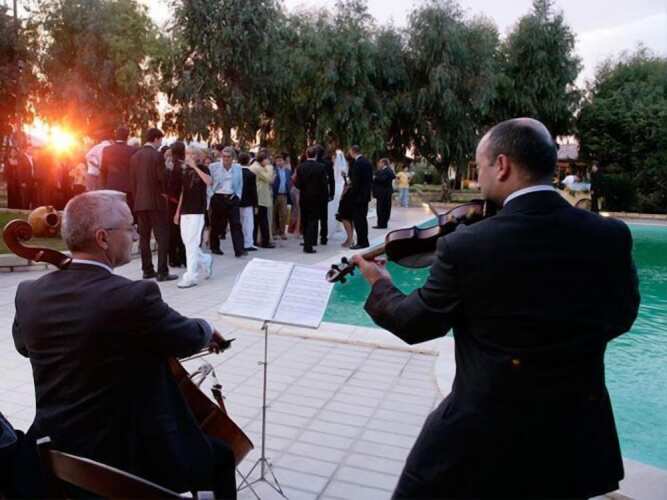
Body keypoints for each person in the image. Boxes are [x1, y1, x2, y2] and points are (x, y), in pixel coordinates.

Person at [352, 117, 640, 499]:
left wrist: (380, 284)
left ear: (502, 165)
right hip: (574, 434)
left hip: (482, 436)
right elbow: (621, 316)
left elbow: (415, 322)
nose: (479, 180)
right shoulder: (610, 235)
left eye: (480, 167)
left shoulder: (468, 245)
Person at [12, 191, 237, 498]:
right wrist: (207, 327)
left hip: (56, 447)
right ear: (102, 238)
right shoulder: (134, 297)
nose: (135, 235)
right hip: (121, 458)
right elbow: (186, 337)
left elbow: (24, 347)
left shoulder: (29, 293)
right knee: (222, 457)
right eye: (130, 227)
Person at [129, 127, 176, 281]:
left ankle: (147, 270)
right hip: (156, 202)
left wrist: (137, 199)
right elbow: (161, 178)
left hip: (140, 203)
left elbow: (133, 183)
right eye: (160, 139)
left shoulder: (134, 157)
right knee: (162, 237)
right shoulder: (157, 156)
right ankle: (162, 271)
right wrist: (169, 170)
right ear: (156, 139)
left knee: (144, 238)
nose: (161, 142)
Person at [174, 146, 214, 288]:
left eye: (192, 153)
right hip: (185, 210)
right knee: (187, 242)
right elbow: (183, 192)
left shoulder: (203, 168)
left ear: (197, 156)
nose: (188, 156)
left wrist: (195, 167)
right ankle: (205, 259)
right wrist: (178, 212)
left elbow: (209, 182)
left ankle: (191, 276)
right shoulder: (184, 171)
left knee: (192, 242)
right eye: (187, 153)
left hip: (197, 210)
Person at [208, 146, 245, 257]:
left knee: (236, 224)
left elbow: (240, 183)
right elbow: (208, 183)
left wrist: (238, 196)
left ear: (232, 158)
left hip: (232, 198)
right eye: (224, 156)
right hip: (218, 197)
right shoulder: (213, 167)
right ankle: (215, 247)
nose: (226, 159)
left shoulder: (237, 168)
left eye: (228, 157)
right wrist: (212, 196)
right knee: (216, 224)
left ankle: (239, 250)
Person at [295, 145, 329, 254]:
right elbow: (324, 185)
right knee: (313, 221)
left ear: (306, 155)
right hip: (316, 198)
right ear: (316, 155)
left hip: (304, 197)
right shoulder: (321, 167)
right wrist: (324, 197)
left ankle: (306, 242)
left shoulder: (300, 167)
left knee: (305, 221)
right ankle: (309, 245)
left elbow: (297, 184)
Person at [100, 126, 137, 210]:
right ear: (127, 137)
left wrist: (104, 185)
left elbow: (103, 169)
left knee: (112, 211)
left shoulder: (107, 149)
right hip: (127, 187)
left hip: (111, 186)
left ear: (116, 136)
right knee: (126, 211)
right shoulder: (133, 150)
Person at [347, 145, 373, 249]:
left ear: (353, 151)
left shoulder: (357, 163)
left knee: (358, 220)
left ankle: (361, 242)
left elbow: (356, 182)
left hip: (358, 197)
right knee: (363, 219)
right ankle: (364, 241)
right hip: (365, 196)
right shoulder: (367, 162)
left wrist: (351, 195)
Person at [249, 149, 275, 248]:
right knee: (263, 220)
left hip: (259, 197)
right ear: (263, 159)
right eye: (267, 160)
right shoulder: (257, 168)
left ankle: (255, 240)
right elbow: (269, 178)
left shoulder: (257, 167)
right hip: (259, 198)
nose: (268, 162)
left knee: (257, 220)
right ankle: (265, 241)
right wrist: (270, 167)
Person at [238, 152, 258, 252]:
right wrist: (256, 204)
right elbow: (253, 191)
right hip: (248, 202)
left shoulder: (236, 173)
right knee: (248, 224)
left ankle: (240, 242)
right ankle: (248, 243)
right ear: (249, 161)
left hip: (237, 201)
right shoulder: (251, 174)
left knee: (239, 223)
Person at [316, 145, 335, 245]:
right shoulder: (328, 163)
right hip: (324, 192)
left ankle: (313, 237)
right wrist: (332, 193)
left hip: (314, 193)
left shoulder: (313, 163)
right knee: (324, 217)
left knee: (314, 216)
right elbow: (331, 180)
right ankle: (324, 237)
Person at [272, 154, 292, 240]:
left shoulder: (287, 171)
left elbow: (289, 182)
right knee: (273, 214)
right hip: (274, 195)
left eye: (280, 160)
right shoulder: (273, 170)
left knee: (284, 214)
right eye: (277, 161)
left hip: (284, 195)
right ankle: (274, 232)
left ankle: (282, 232)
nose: (279, 162)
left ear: (284, 161)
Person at [372, 158, 396, 229]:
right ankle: (381, 223)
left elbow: (384, 179)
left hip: (384, 193)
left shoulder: (388, 170)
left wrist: (375, 178)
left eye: (380, 162)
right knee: (382, 208)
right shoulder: (382, 170)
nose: (379, 164)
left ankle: (382, 224)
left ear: (383, 163)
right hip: (382, 193)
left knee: (383, 209)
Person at [336, 171, 355, 247]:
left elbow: (347, 186)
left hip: (348, 198)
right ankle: (350, 238)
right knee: (349, 219)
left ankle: (350, 239)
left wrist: (342, 194)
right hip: (350, 198)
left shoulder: (353, 174)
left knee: (345, 218)